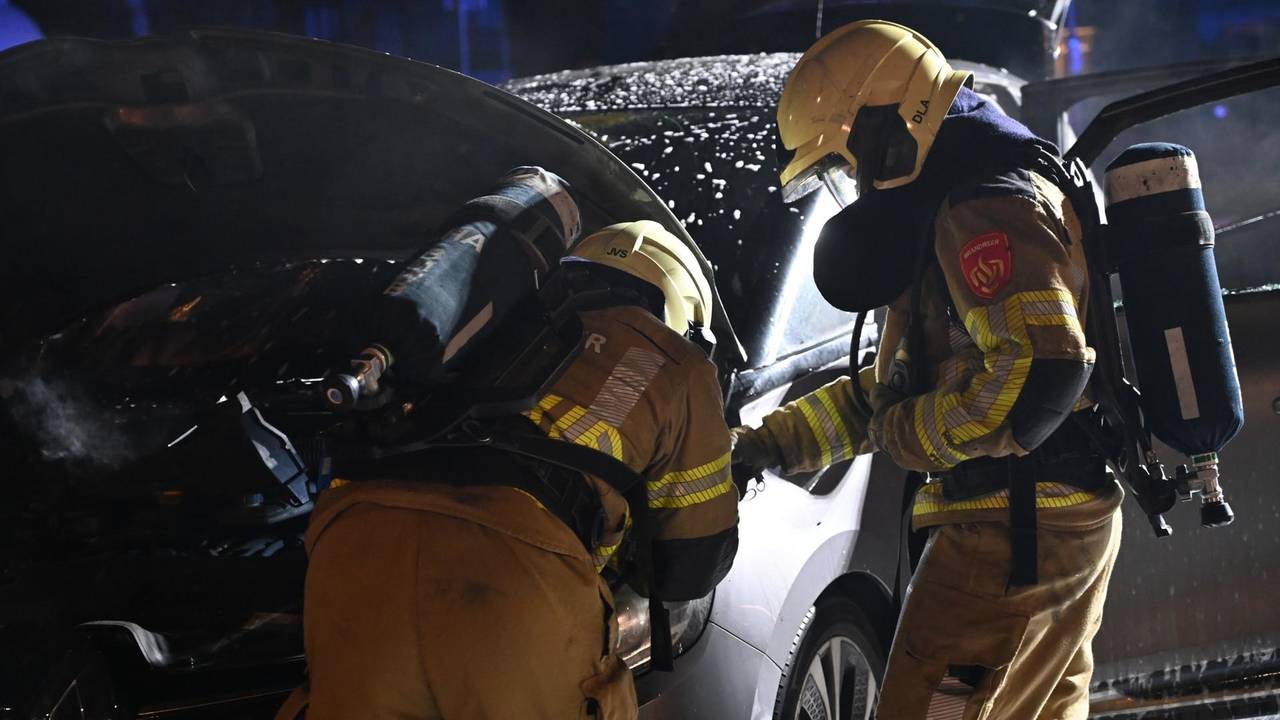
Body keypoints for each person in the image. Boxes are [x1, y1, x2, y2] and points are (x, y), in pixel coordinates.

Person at [733, 20, 1123, 720]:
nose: (852, 182)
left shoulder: (984, 205)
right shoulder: (952, 198)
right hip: (1039, 526)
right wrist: (766, 446)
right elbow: (892, 398)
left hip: (1008, 537)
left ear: (882, 127)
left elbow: (1040, 370)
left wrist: (905, 434)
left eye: (845, 160)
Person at [281, 220, 738, 720]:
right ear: (682, 310)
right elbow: (689, 566)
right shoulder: (676, 362)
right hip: (512, 582)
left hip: (350, 553)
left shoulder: (479, 324)